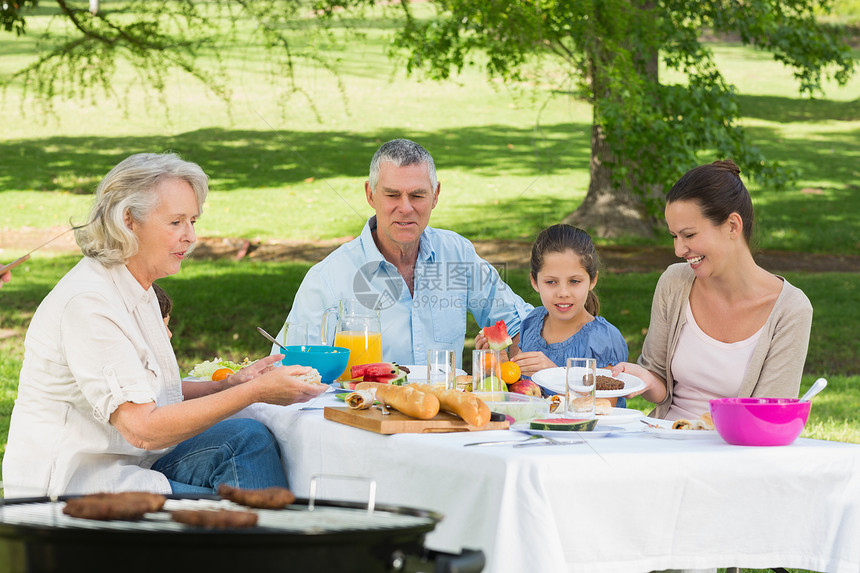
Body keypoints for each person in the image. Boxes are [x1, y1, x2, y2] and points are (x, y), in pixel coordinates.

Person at [3, 152, 327, 498]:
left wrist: (230, 384)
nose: (190, 237)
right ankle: (262, 546)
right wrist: (254, 392)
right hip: (79, 488)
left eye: (193, 222)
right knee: (234, 477)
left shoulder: (135, 286)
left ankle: (262, 543)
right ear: (128, 221)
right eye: (175, 223)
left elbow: (148, 390)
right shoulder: (90, 304)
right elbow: (141, 428)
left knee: (246, 437)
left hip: (133, 463)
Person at [275, 139, 533, 368]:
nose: (406, 208)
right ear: (370, 194)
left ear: (435, 195)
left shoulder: (456, 255)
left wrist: (522, 361)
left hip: (443, 415)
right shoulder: (328, 278)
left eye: (417, 195)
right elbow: (287, 368)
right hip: (361, 415)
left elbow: (520, 324)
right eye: (392, 195)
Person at [612, 159, 813, 421]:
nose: (679, 250)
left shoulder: (790, 309)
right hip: (663, 441)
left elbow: (769, 419)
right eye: (674, 236)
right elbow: (659, 381)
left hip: (736, 451)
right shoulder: (675, 282)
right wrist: (645, 379)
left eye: (689, 235)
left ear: (732, 226)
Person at [495, 224, 628, 405]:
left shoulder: (603, 339)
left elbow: (604, 406)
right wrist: (497, 362)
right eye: (551, 282)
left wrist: (555, 374)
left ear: (592, 280)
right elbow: (520, 391)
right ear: (535, 281)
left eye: (574, 281)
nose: (563, 292)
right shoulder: (531, 323)